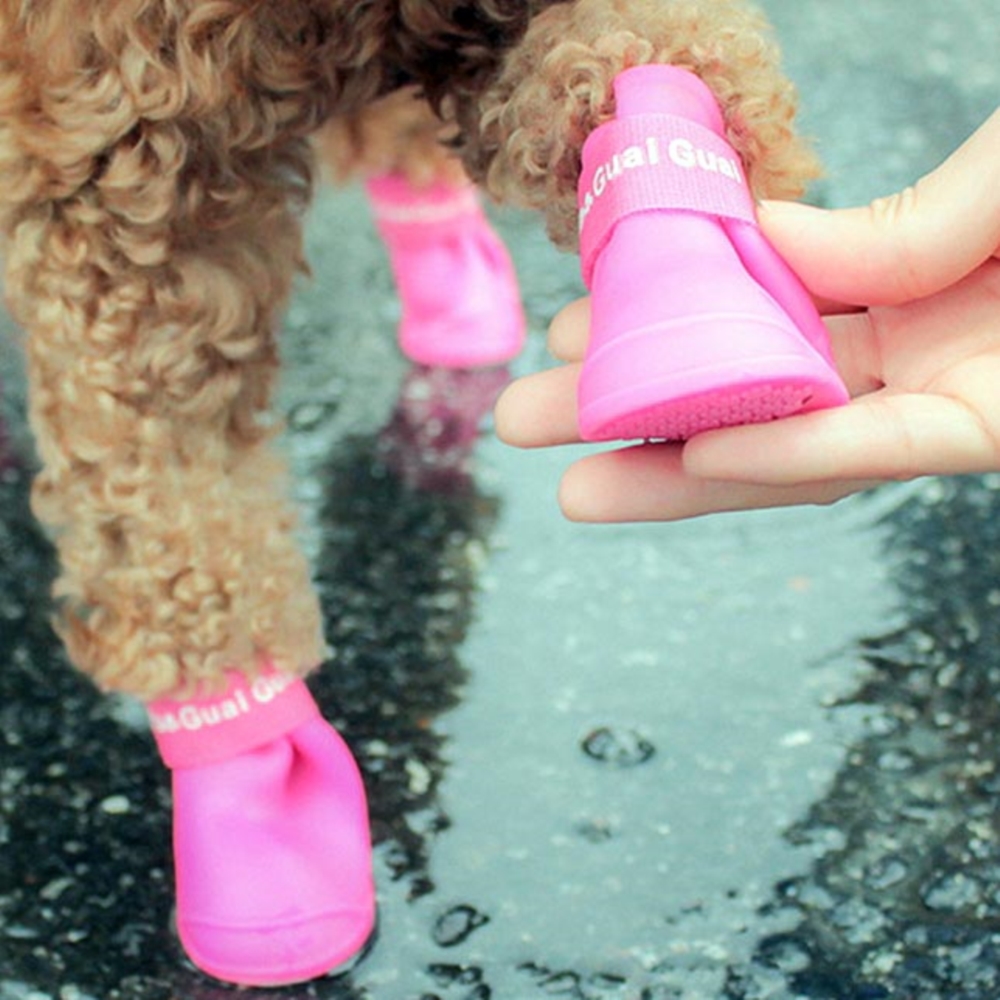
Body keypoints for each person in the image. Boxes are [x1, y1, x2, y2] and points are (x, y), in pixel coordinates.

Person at [494, 108, 1000, 523]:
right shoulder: (706, 179)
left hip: (633, 348)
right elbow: (757, 247)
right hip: (735, 328)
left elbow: (601, 255)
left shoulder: (615, 184)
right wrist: (814, 350)